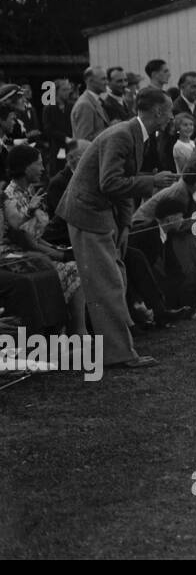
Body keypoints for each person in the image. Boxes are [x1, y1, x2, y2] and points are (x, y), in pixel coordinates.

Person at [55, 87, 178, 369]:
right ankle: (118, 354)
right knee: (107, 284)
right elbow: (110, 183)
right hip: (87, 215)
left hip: (101, 215)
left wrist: (124, 224)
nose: (171, 116)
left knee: (116, 278)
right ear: (158, 111)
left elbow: (122, 180)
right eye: (169, 110)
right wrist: (152, 181)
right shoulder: (123, 135)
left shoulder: (134, 134)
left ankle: (119, 346)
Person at [3, 144, 87, 334]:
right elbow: (26, 240)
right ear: (25, 167)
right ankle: (77, 331)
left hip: (34, 250)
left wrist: (60, 251)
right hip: (18, 256)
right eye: (38, 164)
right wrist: (59, 255)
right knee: (73, 269)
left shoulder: (28, 192)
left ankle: (77, 328)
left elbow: (37, 237)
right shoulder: (12, 196)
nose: (43, 169)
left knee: (74, 262)